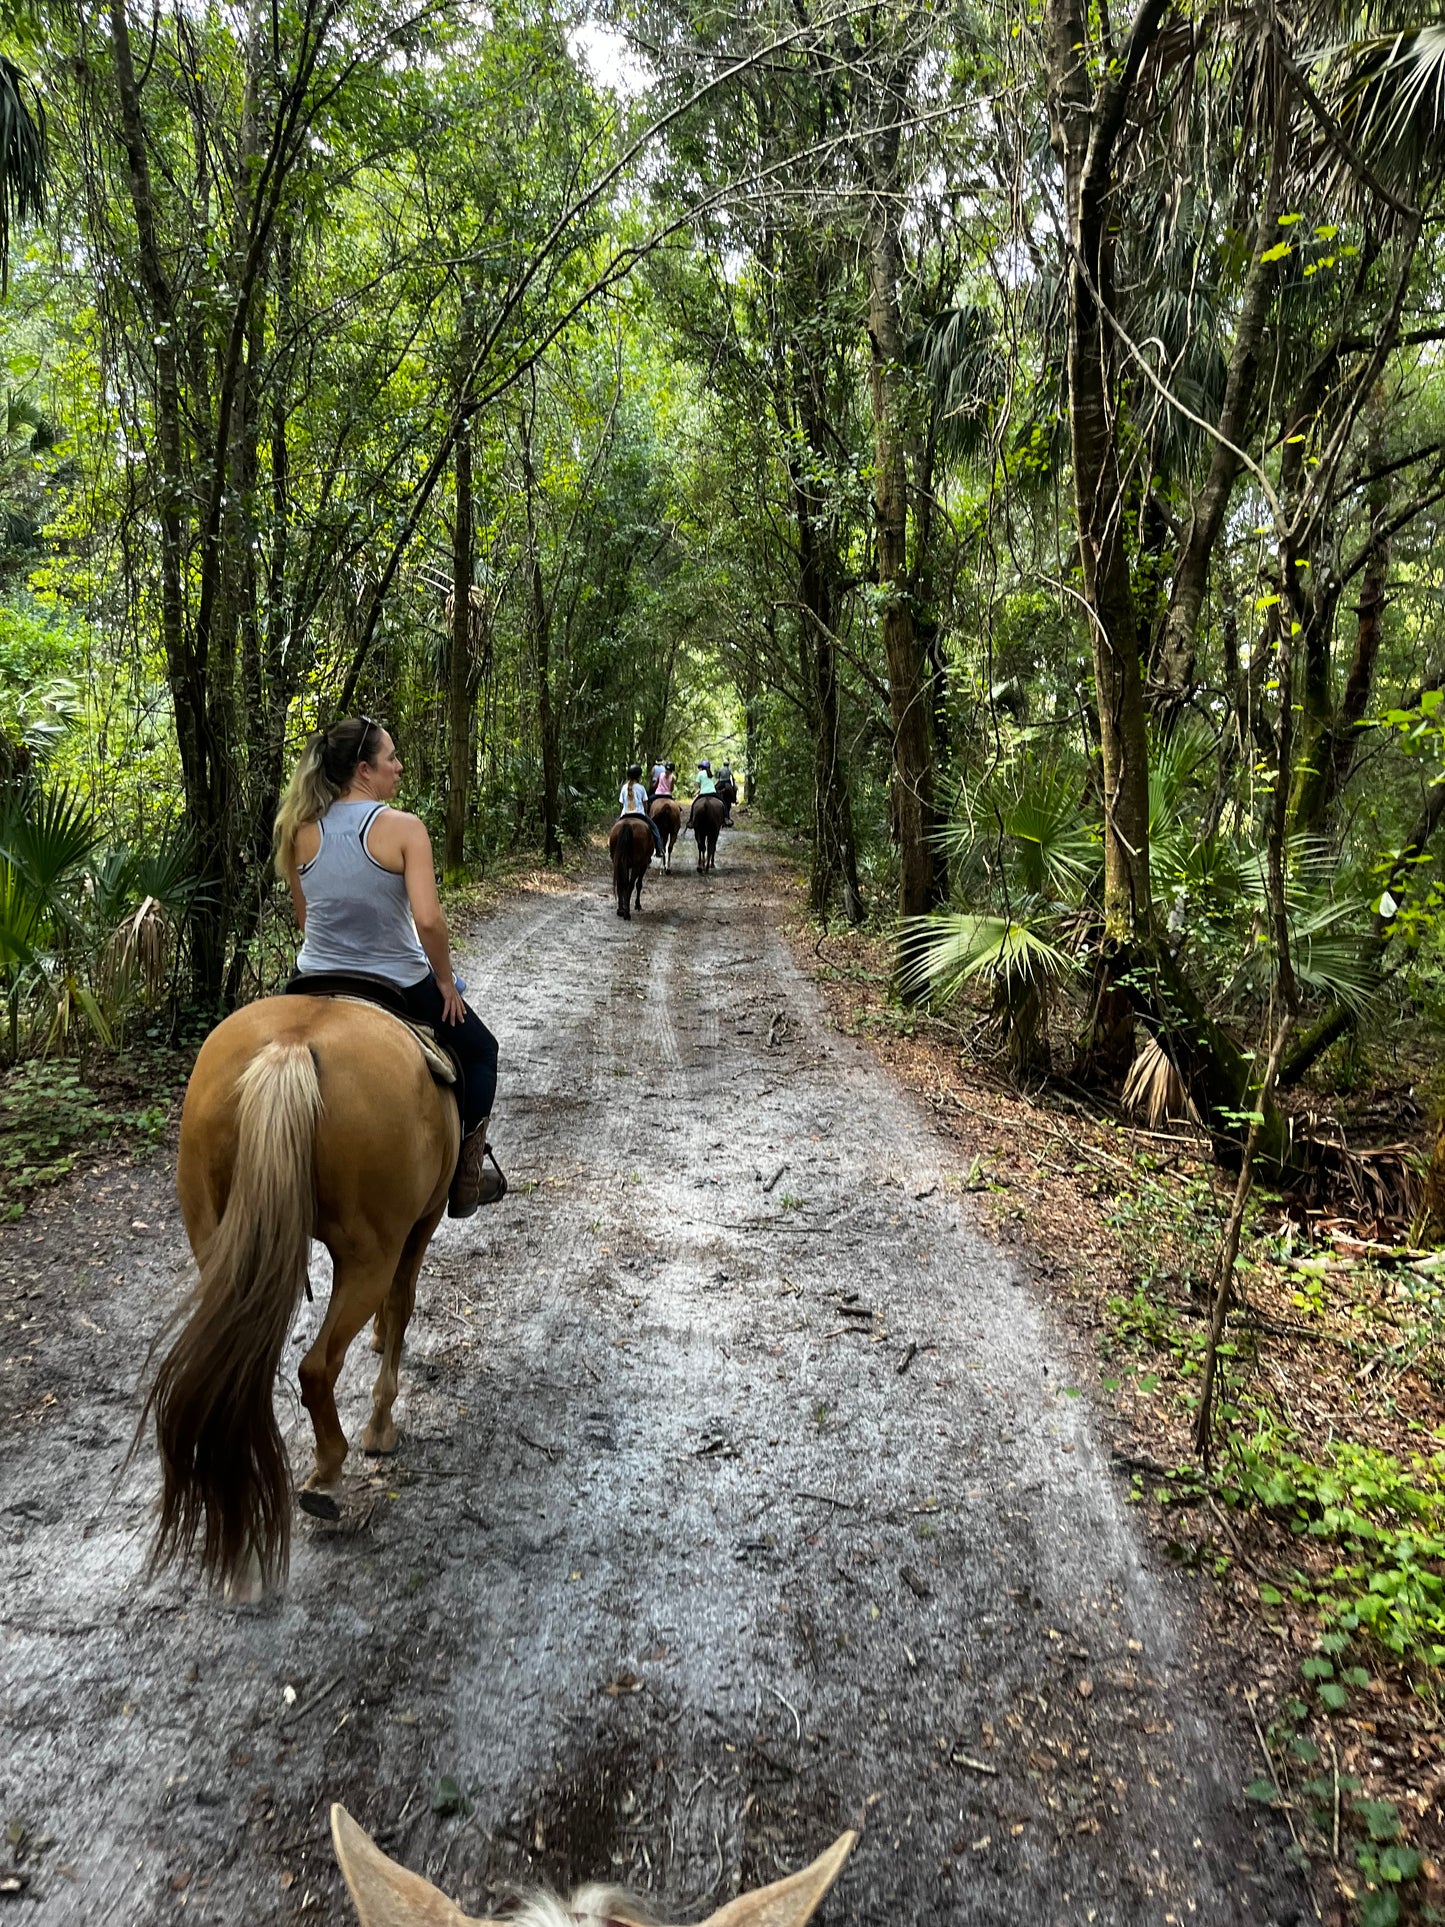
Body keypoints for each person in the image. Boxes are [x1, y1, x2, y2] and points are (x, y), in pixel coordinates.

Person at [275, 715, 505, 1217]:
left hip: (310, 979)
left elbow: (303, 919)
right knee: (482, 1051)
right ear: (364, 769)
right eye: (391, 759)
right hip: (396, 982)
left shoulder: (298, 831)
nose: (399, 768)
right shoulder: (403, 828)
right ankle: (465, 1181)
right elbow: (428, 919)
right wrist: (444, 981)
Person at [620, 762, 664, 856]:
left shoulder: (624, 787)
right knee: (655, 829)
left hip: (625, 814)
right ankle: (659, 849)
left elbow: (622, 803)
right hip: (639, 814)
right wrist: (645, 812)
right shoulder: (641, 788)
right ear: (639, 776)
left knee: (615, 828)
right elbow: (645, 804)